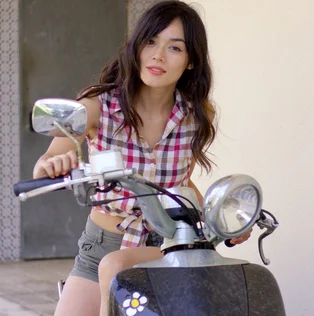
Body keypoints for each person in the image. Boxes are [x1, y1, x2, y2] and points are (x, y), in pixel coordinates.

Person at [32, 1, 251, 315]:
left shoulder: (196, 115)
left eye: (174, 47)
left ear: (191, 61)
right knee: (106, 269)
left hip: (168, 245)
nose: (158, 56)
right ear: (136, 47)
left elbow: (181, 183)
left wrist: (219, 219)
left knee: (118, 265)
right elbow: (50, 158)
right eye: (150, 41)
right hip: (100, 245)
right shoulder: (97, 105)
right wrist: (55, 164)